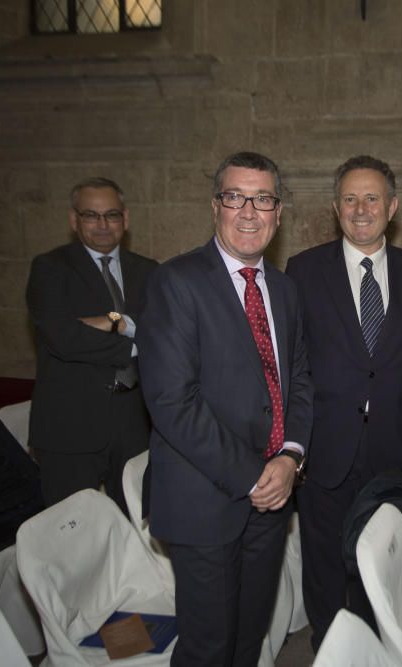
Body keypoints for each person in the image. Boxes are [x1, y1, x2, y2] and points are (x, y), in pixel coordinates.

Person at [137, 151, 313, 667]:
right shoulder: (176, 283)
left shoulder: (284, 290)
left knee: (247, 640)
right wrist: (254, 473)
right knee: (207, 649)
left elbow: (299, 381)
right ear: (215, 207)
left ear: (279, 213)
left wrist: (291, 457)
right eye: (235, 197)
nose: (249, 211)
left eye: (263, 199)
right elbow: (172, 402)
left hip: (272, 500)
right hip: (205, 499)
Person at [285, 154, 402, 651]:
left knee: (384, 564)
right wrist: (292, 445)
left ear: (392, 207)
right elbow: (291, 366)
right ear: (336, 209)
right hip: (323, 452)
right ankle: (333, 652)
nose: (361, 209)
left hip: (396, 452)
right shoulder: (303, 270)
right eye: (350, 199)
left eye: (372, 198)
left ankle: (382, 651)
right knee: (325, 565)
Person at [26, 176, 157, 512]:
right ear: (74, 220)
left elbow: (164, 330)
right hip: (71, 425)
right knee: (73, 531)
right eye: (90, 215)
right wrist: (135, 341)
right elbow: (63, 338)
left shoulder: (149, 271)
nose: (102, 225)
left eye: (111, 215)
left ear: (125, 220)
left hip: (134, 422)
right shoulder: (50, 269)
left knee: (135, 526)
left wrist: (114, 321)